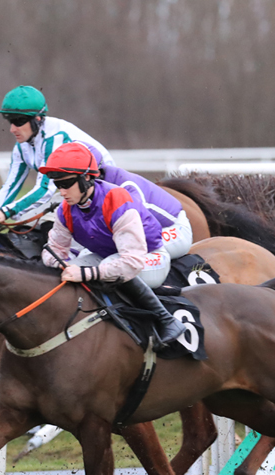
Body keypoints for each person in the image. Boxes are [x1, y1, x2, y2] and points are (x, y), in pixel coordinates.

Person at [38, 142, 185, 349]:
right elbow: (52, 250)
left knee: (104, 269)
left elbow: (131, 262)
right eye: (57, 184)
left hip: (148, 258)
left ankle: (167, 321)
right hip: (110, 255)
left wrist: (86, 273)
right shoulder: (66, 210)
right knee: (66, 272)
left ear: (87, 177)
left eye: (67, 183)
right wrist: (62, 265)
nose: (62, 192)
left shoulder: (116, 200)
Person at [0, 86, 114, 257]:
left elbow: (44, 189)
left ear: (37, 119)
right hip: (72, 189)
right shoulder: (23, 145)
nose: (12, 129)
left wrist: (4, 213)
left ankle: (69, 269)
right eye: (10, 121)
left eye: (18, 121)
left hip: (99, 189)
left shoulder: (56, 137)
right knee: (22, 225)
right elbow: (11, 185)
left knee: (49, 223)